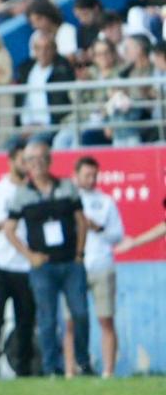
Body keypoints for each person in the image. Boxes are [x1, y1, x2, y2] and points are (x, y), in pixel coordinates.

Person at [4, 140, 91, 377]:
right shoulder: (22, 195)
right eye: (32, 160)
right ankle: (51, 366)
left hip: (70, 263)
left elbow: (81, 221)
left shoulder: (66, 187)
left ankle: (83, 362)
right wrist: (29, 255)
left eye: (42, 158)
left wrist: (79, 254)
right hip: (43, 266)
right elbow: (9, 229)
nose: (38, 164)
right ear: (26, 165)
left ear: (50, 160)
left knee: (81, 313)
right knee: (47, 318)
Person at [0, 142, 37, 377]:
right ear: (11, 160)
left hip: (26, 265)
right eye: (23, 160)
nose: (27, 165)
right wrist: (7, 222)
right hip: (1, 264)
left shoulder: (34, 191)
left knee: (25, 320)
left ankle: (23, 368)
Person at [74, 157, 124, 378]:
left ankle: (108, 371)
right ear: (75, 176)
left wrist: (97, 227)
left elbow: (118, 235)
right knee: (71, 321)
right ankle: (72, 369)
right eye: (87, 175)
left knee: (105, 319)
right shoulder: (68, 201)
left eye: (94, 175)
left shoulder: (105, 202)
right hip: (75, 266)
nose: (91, 179)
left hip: (101, 264)